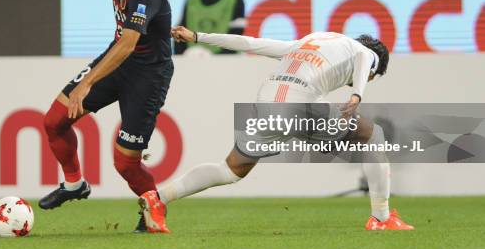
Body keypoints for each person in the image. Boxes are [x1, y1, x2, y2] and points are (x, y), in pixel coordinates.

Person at [138, 27, 414, 233]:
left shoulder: (309, 42)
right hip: (299, 105)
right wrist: (357, 94)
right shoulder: (363, 52)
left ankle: (158, 198)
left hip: (266, 101)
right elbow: (366, 59)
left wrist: (198, 36)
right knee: (372, 134)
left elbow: (250, 43)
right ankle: (381, 217)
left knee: (231, 169)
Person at [38, 0, 174, 232]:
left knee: (125, 162)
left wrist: (86, 83)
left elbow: (128, 43)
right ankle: (74, 184)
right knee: (54, 121)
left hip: (147, 73)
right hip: (118, 61)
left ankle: (153, 209)